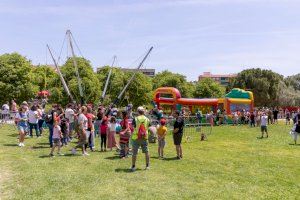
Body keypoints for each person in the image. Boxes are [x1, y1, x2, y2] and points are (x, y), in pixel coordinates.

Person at [130, 106, 150, 171]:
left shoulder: (135, 119)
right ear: (143, 112)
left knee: (134, 153)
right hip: (145, 137)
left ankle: (133, 166)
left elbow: (132, 128)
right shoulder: (147, 119)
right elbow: (148, 127)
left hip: (136, 137)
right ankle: (147, 166)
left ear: (138, 112)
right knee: (146, 152)